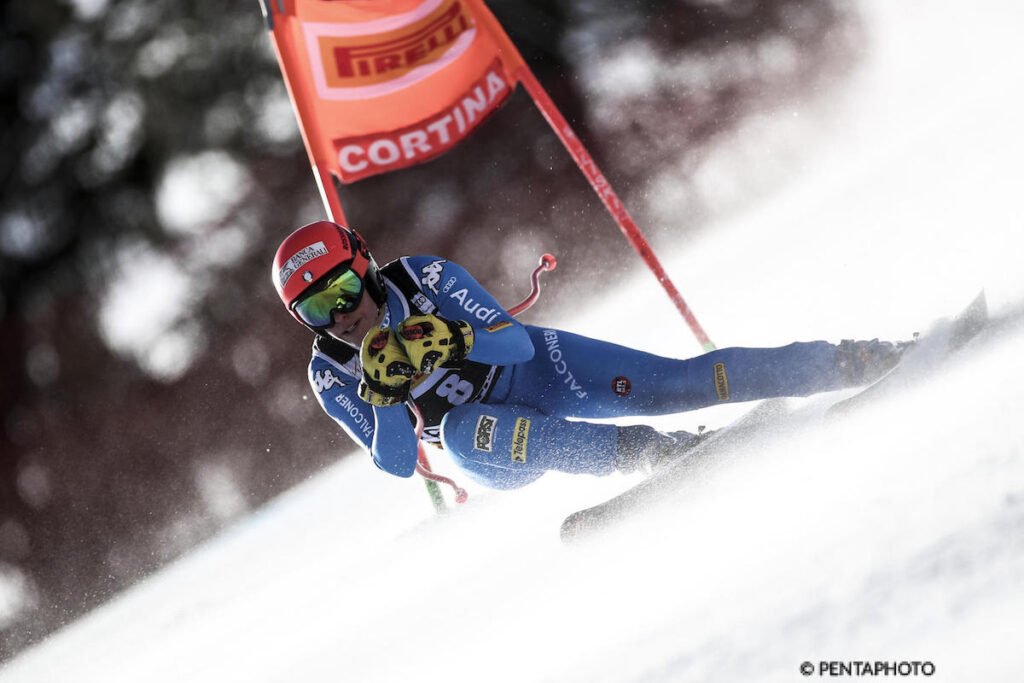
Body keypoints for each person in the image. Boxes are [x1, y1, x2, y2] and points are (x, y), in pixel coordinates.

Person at [272, 220, 907, 490]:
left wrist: (458, 338)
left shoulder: (423, 278)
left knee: (681, 382)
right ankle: (653, 454)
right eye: (316, 310)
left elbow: (514, 341)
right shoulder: (331, 370)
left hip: (536, 370)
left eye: (345, 289)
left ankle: (851, 359)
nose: (343, 314)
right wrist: (384, 395)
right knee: (465, 429)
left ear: (364, 267)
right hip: (490, 448)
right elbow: (396, 464)